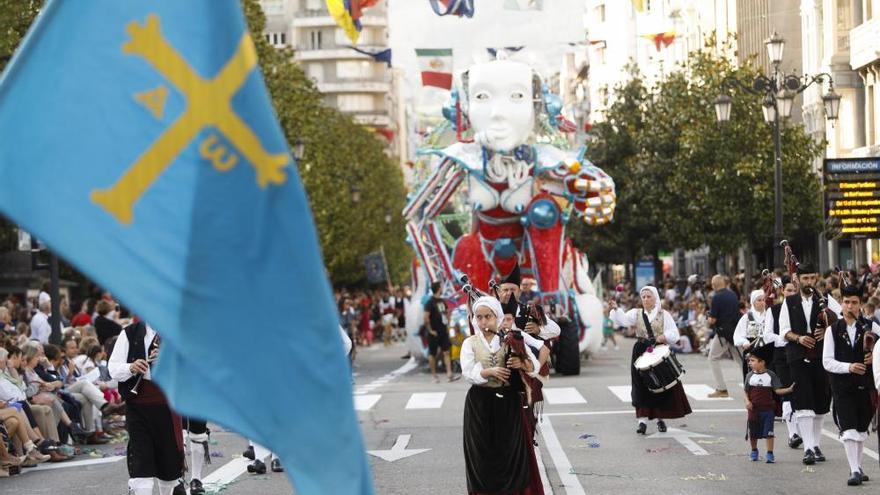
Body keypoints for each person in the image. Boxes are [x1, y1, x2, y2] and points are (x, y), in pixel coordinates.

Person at [460, 296, 543, 495]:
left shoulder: (511, 339)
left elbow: (534, 366)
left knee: (510, 454)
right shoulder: (470, 343)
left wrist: (522, 365)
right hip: (480, 404)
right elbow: (467, 371)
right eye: (479, 317)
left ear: (496, 316)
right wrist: (487, 372)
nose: (483, 322)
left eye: (487, 316)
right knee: (482, 455)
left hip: (508, 403)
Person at [108, 321, 185, 495]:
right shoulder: (129, 333)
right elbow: (113, 368)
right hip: (138, 407)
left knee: (169, 472)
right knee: (142, 470)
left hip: (167, 407)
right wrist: (131, 367)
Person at [778, 263, 842, 465]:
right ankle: (807, 448)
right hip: (797, 355)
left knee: (821, 402)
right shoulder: (789, 302)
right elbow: (784, 331)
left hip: (822, 356)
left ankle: (815, 445)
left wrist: (828, 331)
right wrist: (798, 338)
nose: (809, 282)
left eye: (812, 278)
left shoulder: (825, 300)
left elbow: (842, 319)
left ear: (816, 279)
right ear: (797, 280)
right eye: (805, 279)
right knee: (803, 400)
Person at [609, 285, 692, 434]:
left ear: (655, 298)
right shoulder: (636, 313)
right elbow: (623, 320)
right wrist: (616, 309)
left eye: (649, 296)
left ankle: (661, 419)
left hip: (658, 350)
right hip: (641, 350)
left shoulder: (663, 314)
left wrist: (663, 336)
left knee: (661, 385)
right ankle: (642, 421)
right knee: (640, 385)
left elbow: (674, 333)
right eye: (644, 297)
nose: (646, 299)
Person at [822, 285, 877, 486]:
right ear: (841, 304)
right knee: (848, 427)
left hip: (865, 385)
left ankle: (858, 467)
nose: (850, 306)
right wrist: (849, 367)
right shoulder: (832, 330)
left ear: (860, 305)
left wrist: (875, 357)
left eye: (854, 303)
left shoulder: (870, 327)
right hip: (842, 385)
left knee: (861, 428)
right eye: (846, 302)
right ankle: (853, 469)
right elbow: (826, 361)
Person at [762, 280, 803, 449]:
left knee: (801, 392)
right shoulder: (774, 310)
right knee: (787, 390)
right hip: (781, 354)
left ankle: (804, 433)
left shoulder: (802, 309)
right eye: (789, 290)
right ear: (782, 291)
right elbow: (768, 335)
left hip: (800, 353)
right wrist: (785, 338)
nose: (791, 293)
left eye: (794, 290)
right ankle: (792, 433)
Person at [743, 344, 794, 463]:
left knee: (769, 433)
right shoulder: (749, 376)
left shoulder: (771, 375)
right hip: (754, 409)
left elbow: (777, 390)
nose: (750, 363)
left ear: (762, 362)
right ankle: (754, 450)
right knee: (753, 433)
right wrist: (747, 402)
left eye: (753, 360)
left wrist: (789, 389)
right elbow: (745, 392)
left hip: (767, 410)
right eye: (749, 360)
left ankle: (770, 453)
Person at [707, 275, 743, 398]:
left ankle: (721, 388)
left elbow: (712, 320)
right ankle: (750, 386)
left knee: (713, 358)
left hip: (723, 332)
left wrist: (708, 317)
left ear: (714, 285)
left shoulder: (716, 297)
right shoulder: (732, 295)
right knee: (741, 360)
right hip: (734, 331)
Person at [424, 282, 460, 383]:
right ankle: (434, 376)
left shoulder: (442, 301)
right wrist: (430, 330)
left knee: (446, 351)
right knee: (432, 354)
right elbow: (426, 317)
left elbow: (446, 313)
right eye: (441, 287)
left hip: (443, 330)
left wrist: (448, 326)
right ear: (438, 288)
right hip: (434, 332)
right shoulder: (430, 302)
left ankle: (449, 373)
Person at [733, 290, 769, 377]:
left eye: (763, 300)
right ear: (753, 302)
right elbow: (737, 335)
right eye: (759, 300)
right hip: (751, 350)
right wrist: (744, 342)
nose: (762, 302)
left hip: (766, 349)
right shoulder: (747, 317)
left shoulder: (769, 316)